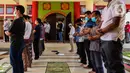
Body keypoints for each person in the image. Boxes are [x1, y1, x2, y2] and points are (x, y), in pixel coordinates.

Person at [97, 0, 126, 73]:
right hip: (104, 38)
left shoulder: (118, 3)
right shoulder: (106, 7)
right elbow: (104, 21)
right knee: (108, 64)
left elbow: (116, 23)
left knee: (115, 66)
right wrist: (99, 29)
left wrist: (102, 31)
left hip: (112, 39)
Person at [5, 5, 25, 73]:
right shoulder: (23, 21)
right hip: (21, 42)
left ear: (18, 11)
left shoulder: (16, 21)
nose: (14, 12)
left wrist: (5, 32)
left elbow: (9, 33)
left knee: (14, 61)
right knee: (19, 60)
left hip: (15, 43)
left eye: (15, 10)